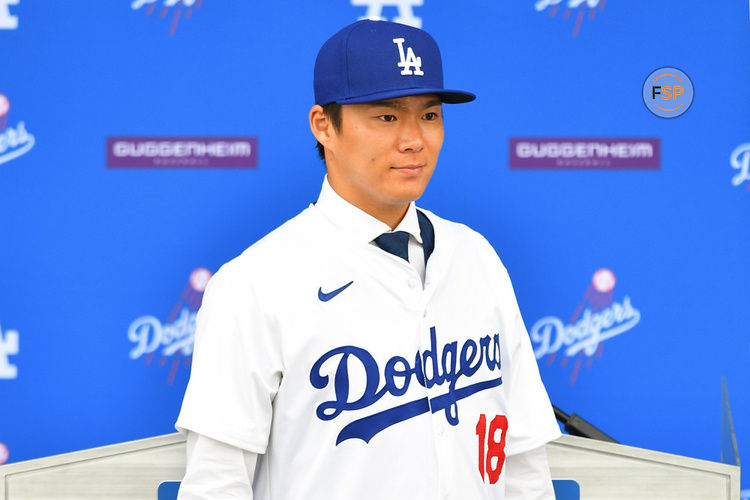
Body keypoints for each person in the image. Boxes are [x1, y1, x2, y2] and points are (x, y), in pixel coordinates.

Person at [175, 19, 561, 500]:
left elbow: (522, 462)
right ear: (324, 126)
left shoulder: (476, 256)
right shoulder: (255, 282)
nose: (414, 140)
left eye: (430, 115)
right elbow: (216, 484)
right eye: (387, 117)